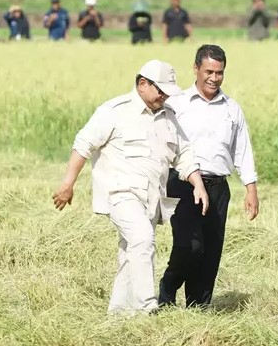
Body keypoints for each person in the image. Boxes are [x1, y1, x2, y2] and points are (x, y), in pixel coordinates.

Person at [52, 60, 209, 315]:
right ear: (142, 84)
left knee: (131, 252)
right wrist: (68, 184)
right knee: (142, 240)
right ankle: (147, 307)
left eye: (167, 91)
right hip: (120, 194)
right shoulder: (114, 111)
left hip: (152, 199)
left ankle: (119, 314)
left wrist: (198, 185)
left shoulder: (168, 117)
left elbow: (184, 155)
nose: (164, 96)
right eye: (160, 90)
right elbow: (83, 144)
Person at [158, 44, 258, 309]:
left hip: (218, 188)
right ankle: (167, 291)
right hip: (182, 185)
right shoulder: (177, 104)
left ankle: (198, 308)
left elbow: (242, 149)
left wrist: (251, 188)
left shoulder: (231, 108)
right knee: (189, 246)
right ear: (196, 69)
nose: (214, 78)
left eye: (220, 73)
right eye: (209, 71)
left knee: (210, 252)